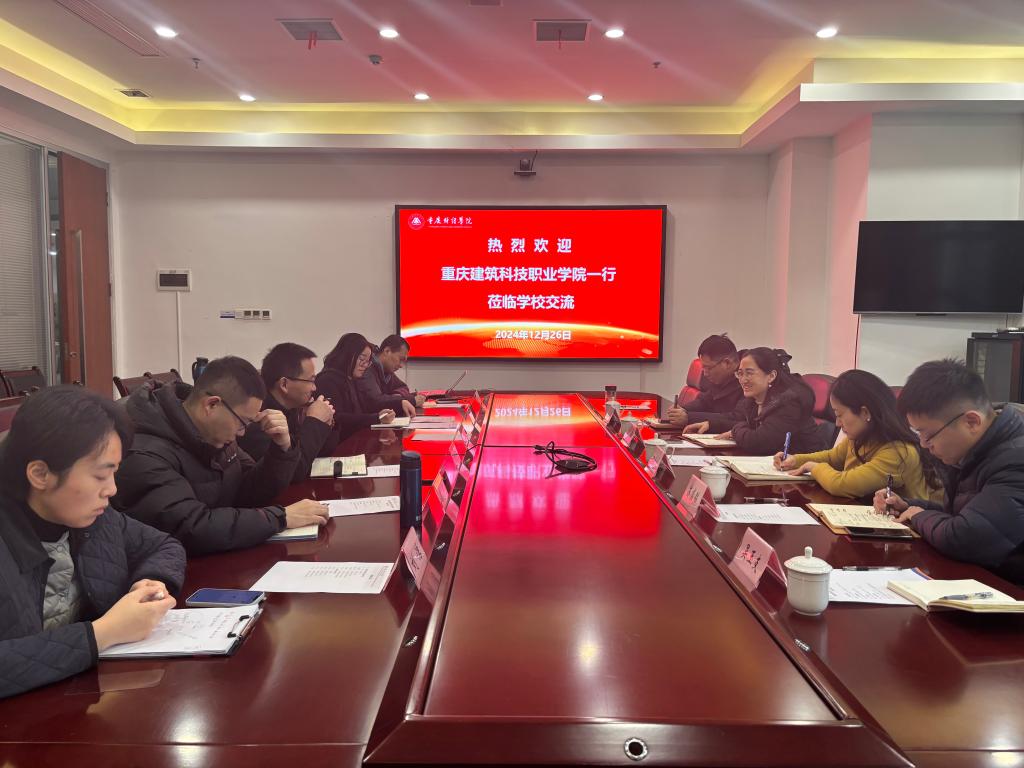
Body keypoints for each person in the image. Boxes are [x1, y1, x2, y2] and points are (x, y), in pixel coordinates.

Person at [0, 386, 185, 698]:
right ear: (40, 474)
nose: (111, 490)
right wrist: (104, 633)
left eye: (114, 474)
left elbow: (163, 546)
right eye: (100, 476)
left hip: (77, 699)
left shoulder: (95, 518)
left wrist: (150, 581)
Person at [113, 356, 328, 556]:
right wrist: (280, 518)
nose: (242, 433)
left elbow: (249, 490)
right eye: (242, 423)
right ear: (212, 404)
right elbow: (191, 528)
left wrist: (282, 449)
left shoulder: (212, 435)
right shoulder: (142, 452)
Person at [874, 359, 1024, 583]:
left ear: (971, 422)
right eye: (918, 434)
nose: (924, 444)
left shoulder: (1015, 461)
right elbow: (963, 516)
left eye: (928, 435)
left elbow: (966, 538)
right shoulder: (976, 451)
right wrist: (909, 506)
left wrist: (918, 515)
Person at [775, 369, 943, 501]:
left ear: (864, 413)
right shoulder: (861, 437)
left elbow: (841, 485)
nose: (837, 423)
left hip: (903, 532)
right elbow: (833, 457)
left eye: (840, 415)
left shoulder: (898, 452)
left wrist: (813, 467)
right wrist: (795, 460)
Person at [685, 347, 826, 455]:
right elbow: (739, 420)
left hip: (803, 475)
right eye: (740, 373)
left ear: (771, 376)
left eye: (749, 373)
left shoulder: (789, 402)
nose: (743, 380)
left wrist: (735, 431)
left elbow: (759, 441)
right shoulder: (755, 398)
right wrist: (712, 424)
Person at [238, 343, 338, 482]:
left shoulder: (293, 408)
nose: (314, 388)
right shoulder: (260, 418)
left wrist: (325, 421)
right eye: (310, 381)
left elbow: (324, 452)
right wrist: (314, 422)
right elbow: (293, 473)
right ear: (284, 384)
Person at [315, 333, 397, 442]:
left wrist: (380, 415)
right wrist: (376, 418)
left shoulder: (351, 378)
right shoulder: (327, 380)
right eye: (362, 359)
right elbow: (337, 418)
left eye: (368, 361)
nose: (365, 365)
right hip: (338, 446)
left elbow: (359, 412)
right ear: (347, 355)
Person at [666, 334, 742, 427]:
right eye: (703, 368)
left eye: (708, 368)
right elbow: (705, 401)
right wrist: (682, 410)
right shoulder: (721, 378)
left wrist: (689, 418)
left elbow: (737, 418)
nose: (705, 374)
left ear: (727, 363)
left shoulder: (747, 381)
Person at [356, 334, 425, 417]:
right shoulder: (367, 368)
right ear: (387, 351)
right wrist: (412, 400)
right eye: (400, 359)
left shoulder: (387, 372)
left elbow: (403, 387)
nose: (401, 365)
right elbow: (376, 401)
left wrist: (396, 396)